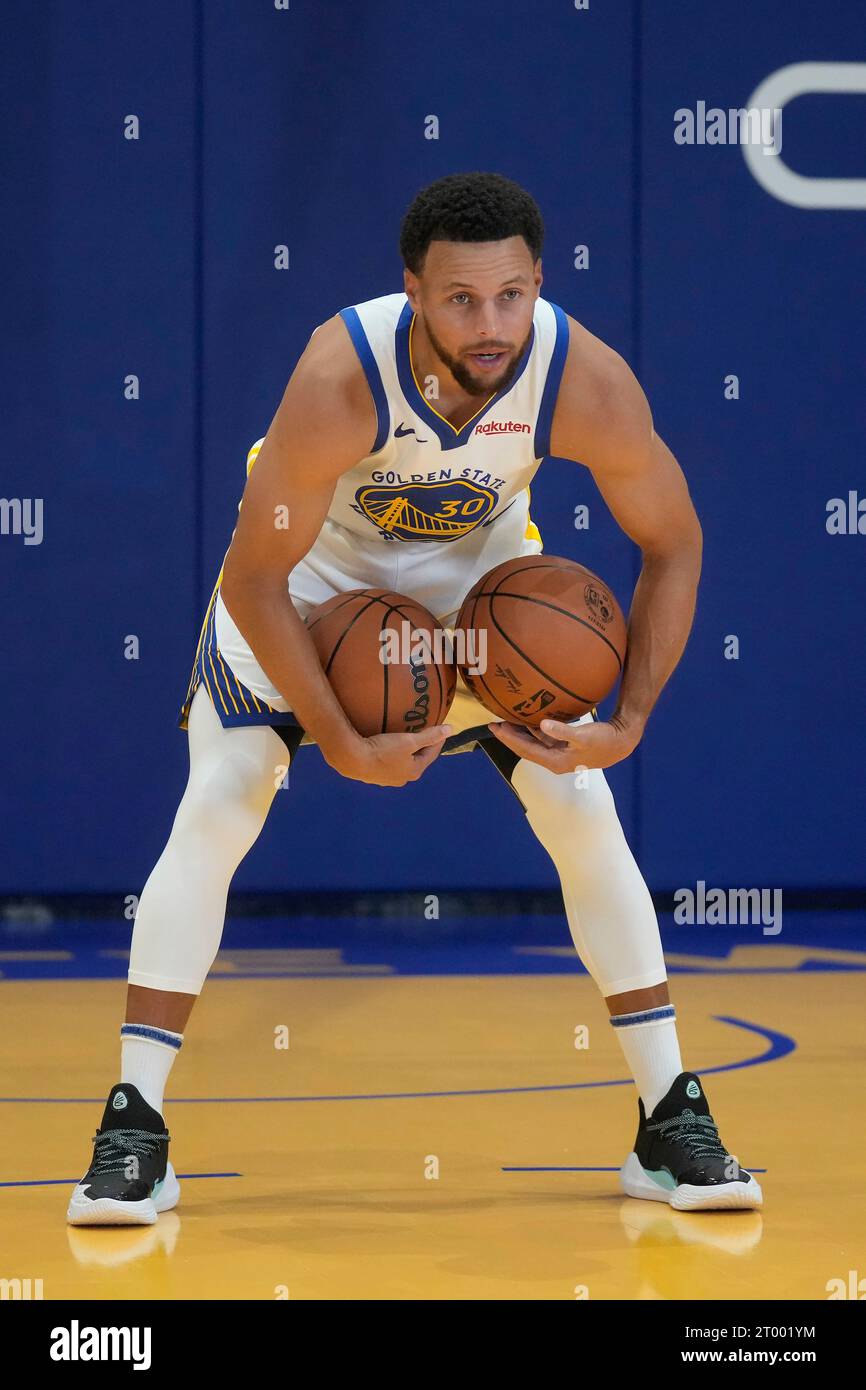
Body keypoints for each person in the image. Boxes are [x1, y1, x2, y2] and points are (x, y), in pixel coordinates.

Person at [67, 171, 761, 1225]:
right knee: (223, 796)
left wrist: (630, 719)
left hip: (474, 597)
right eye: (459, 300)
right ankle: (134, 1126)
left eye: (511, 296)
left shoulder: (583, 381)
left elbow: (672, 542)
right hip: (308, 592)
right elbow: (255, 577)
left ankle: (669, 1115)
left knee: (577, 806)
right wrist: (340, 738)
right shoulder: (340, 374)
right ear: (412, 291)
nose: (490, 326)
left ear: (538, 283)